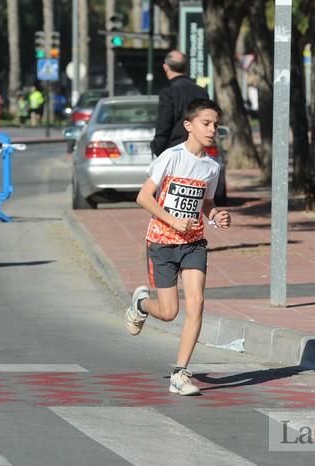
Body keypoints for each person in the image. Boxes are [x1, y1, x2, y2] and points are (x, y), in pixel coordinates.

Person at [125, 98, 231, 395]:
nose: (212, 130)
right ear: (189, 126)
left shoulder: (212, 166)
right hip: (161, 242)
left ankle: (180, 373)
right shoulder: (170, 158)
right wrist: (172, 220)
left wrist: (216, 216)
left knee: (196, 303)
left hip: (194, 243)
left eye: (216, 125)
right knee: (169, 312)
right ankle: (141, 304)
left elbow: (207, 203)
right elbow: (144, 197)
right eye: (206, 123)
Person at [151, 50, 209, 157]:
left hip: (174, 150)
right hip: (198, 150)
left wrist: (158, 149)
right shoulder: (202, 92)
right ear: (186, 68)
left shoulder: (168, 93)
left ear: (165, 67)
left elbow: (164, 125)